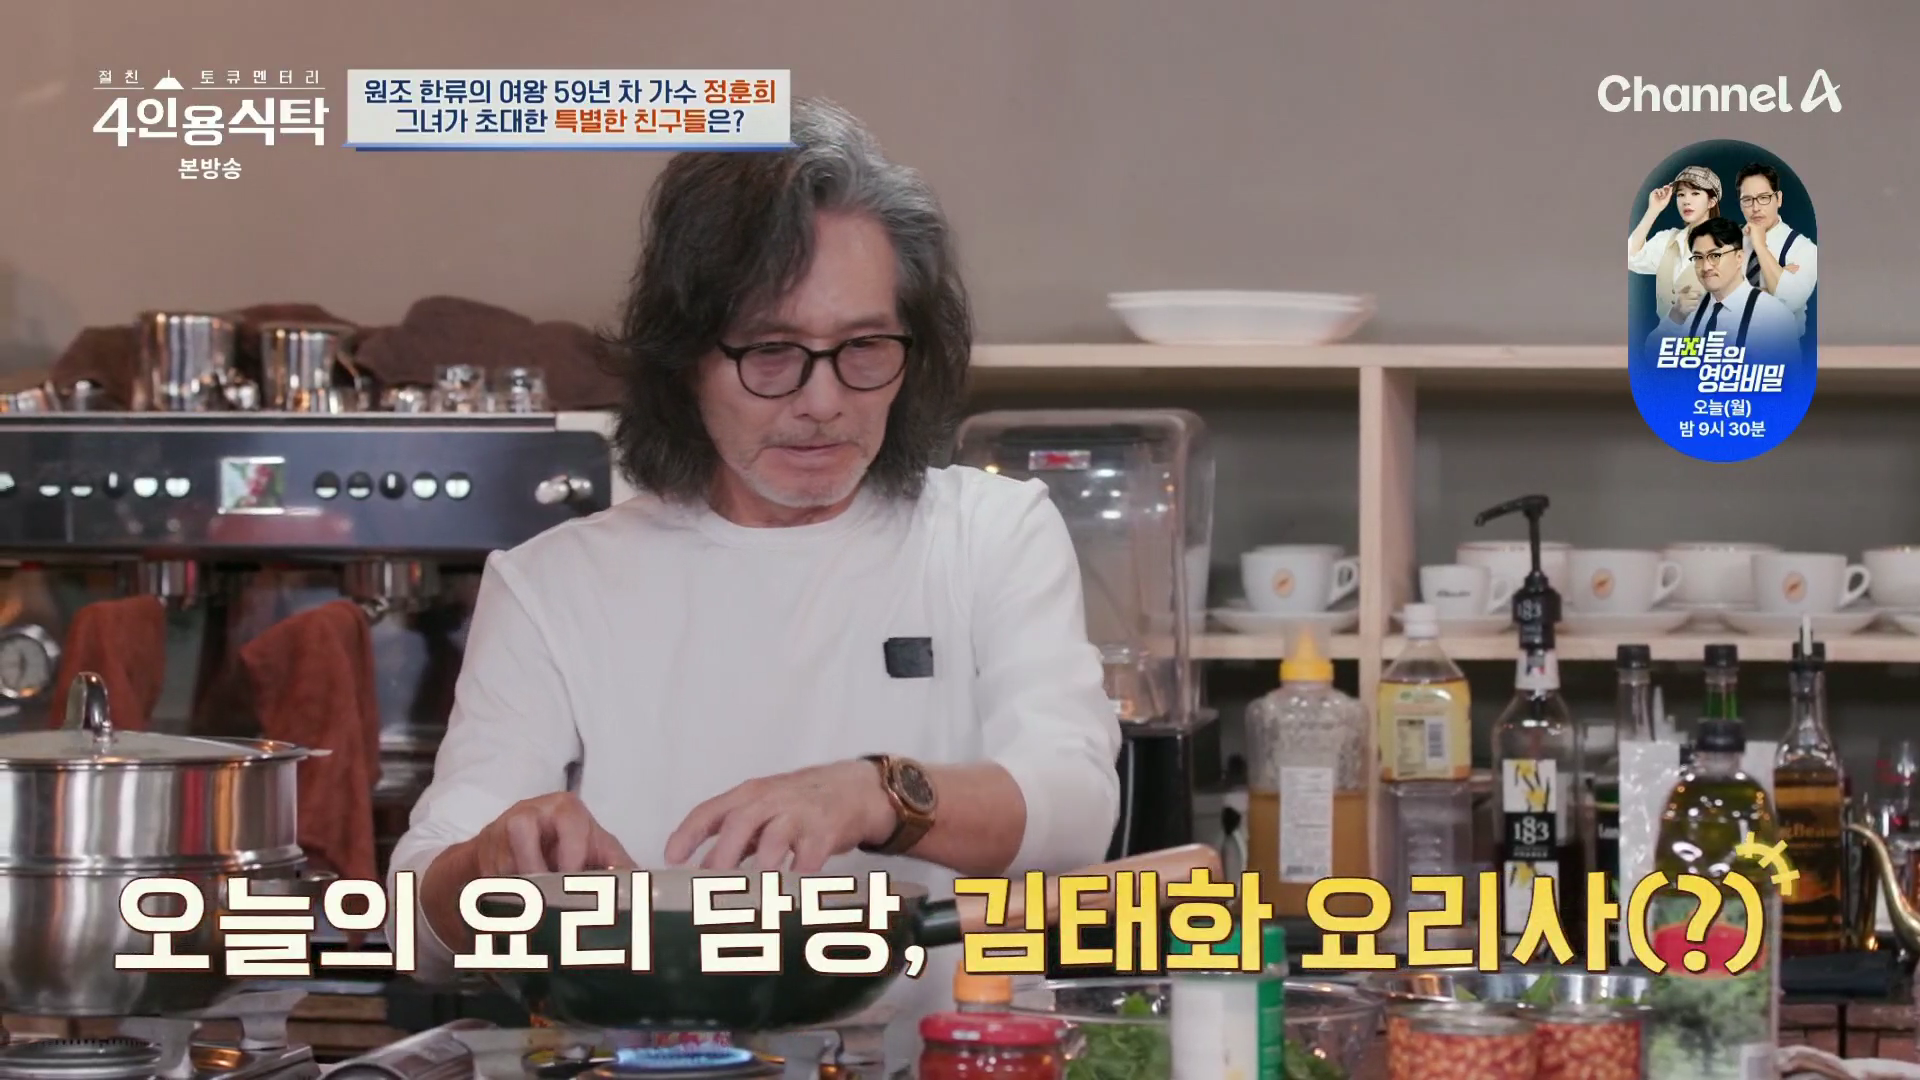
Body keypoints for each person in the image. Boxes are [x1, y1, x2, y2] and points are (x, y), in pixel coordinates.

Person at [386, 98, 1122, 1053]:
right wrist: (490, 858)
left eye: (864, 349)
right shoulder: (554, 584)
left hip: (942, 1060)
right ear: (684, 360)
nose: (822, 401)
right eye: (772, 353)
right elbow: (416, 924)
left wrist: (875, 794)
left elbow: (1073, 808)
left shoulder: (989, 534)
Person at [1643, 217, 1801, 367]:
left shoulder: (1774, 315)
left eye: (1715, 256)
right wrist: (1675, 317)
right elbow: (1653, 358)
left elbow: (1789, 380)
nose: (1706, 267)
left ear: (1739, 257)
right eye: (1698, 257)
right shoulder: (1688, 311)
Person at [1628, 165, 1725, 324]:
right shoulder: (1668, 240)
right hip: (1665, 335)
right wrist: (1653, 210)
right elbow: (1630, 258)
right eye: (1681, 194)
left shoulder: (1728, 246)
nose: (1686, 201)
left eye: (1695, 193)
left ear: (1711, 202)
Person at [1734, 162, 1818, 339]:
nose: (1755, 208)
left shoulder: (1803, 248)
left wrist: (1760, 246)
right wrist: (1771, 288)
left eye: (1763, 197)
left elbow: (1791, 300)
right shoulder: (1729, 242)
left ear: (1778, 199)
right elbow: (1711, 298)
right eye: (1747, 200)